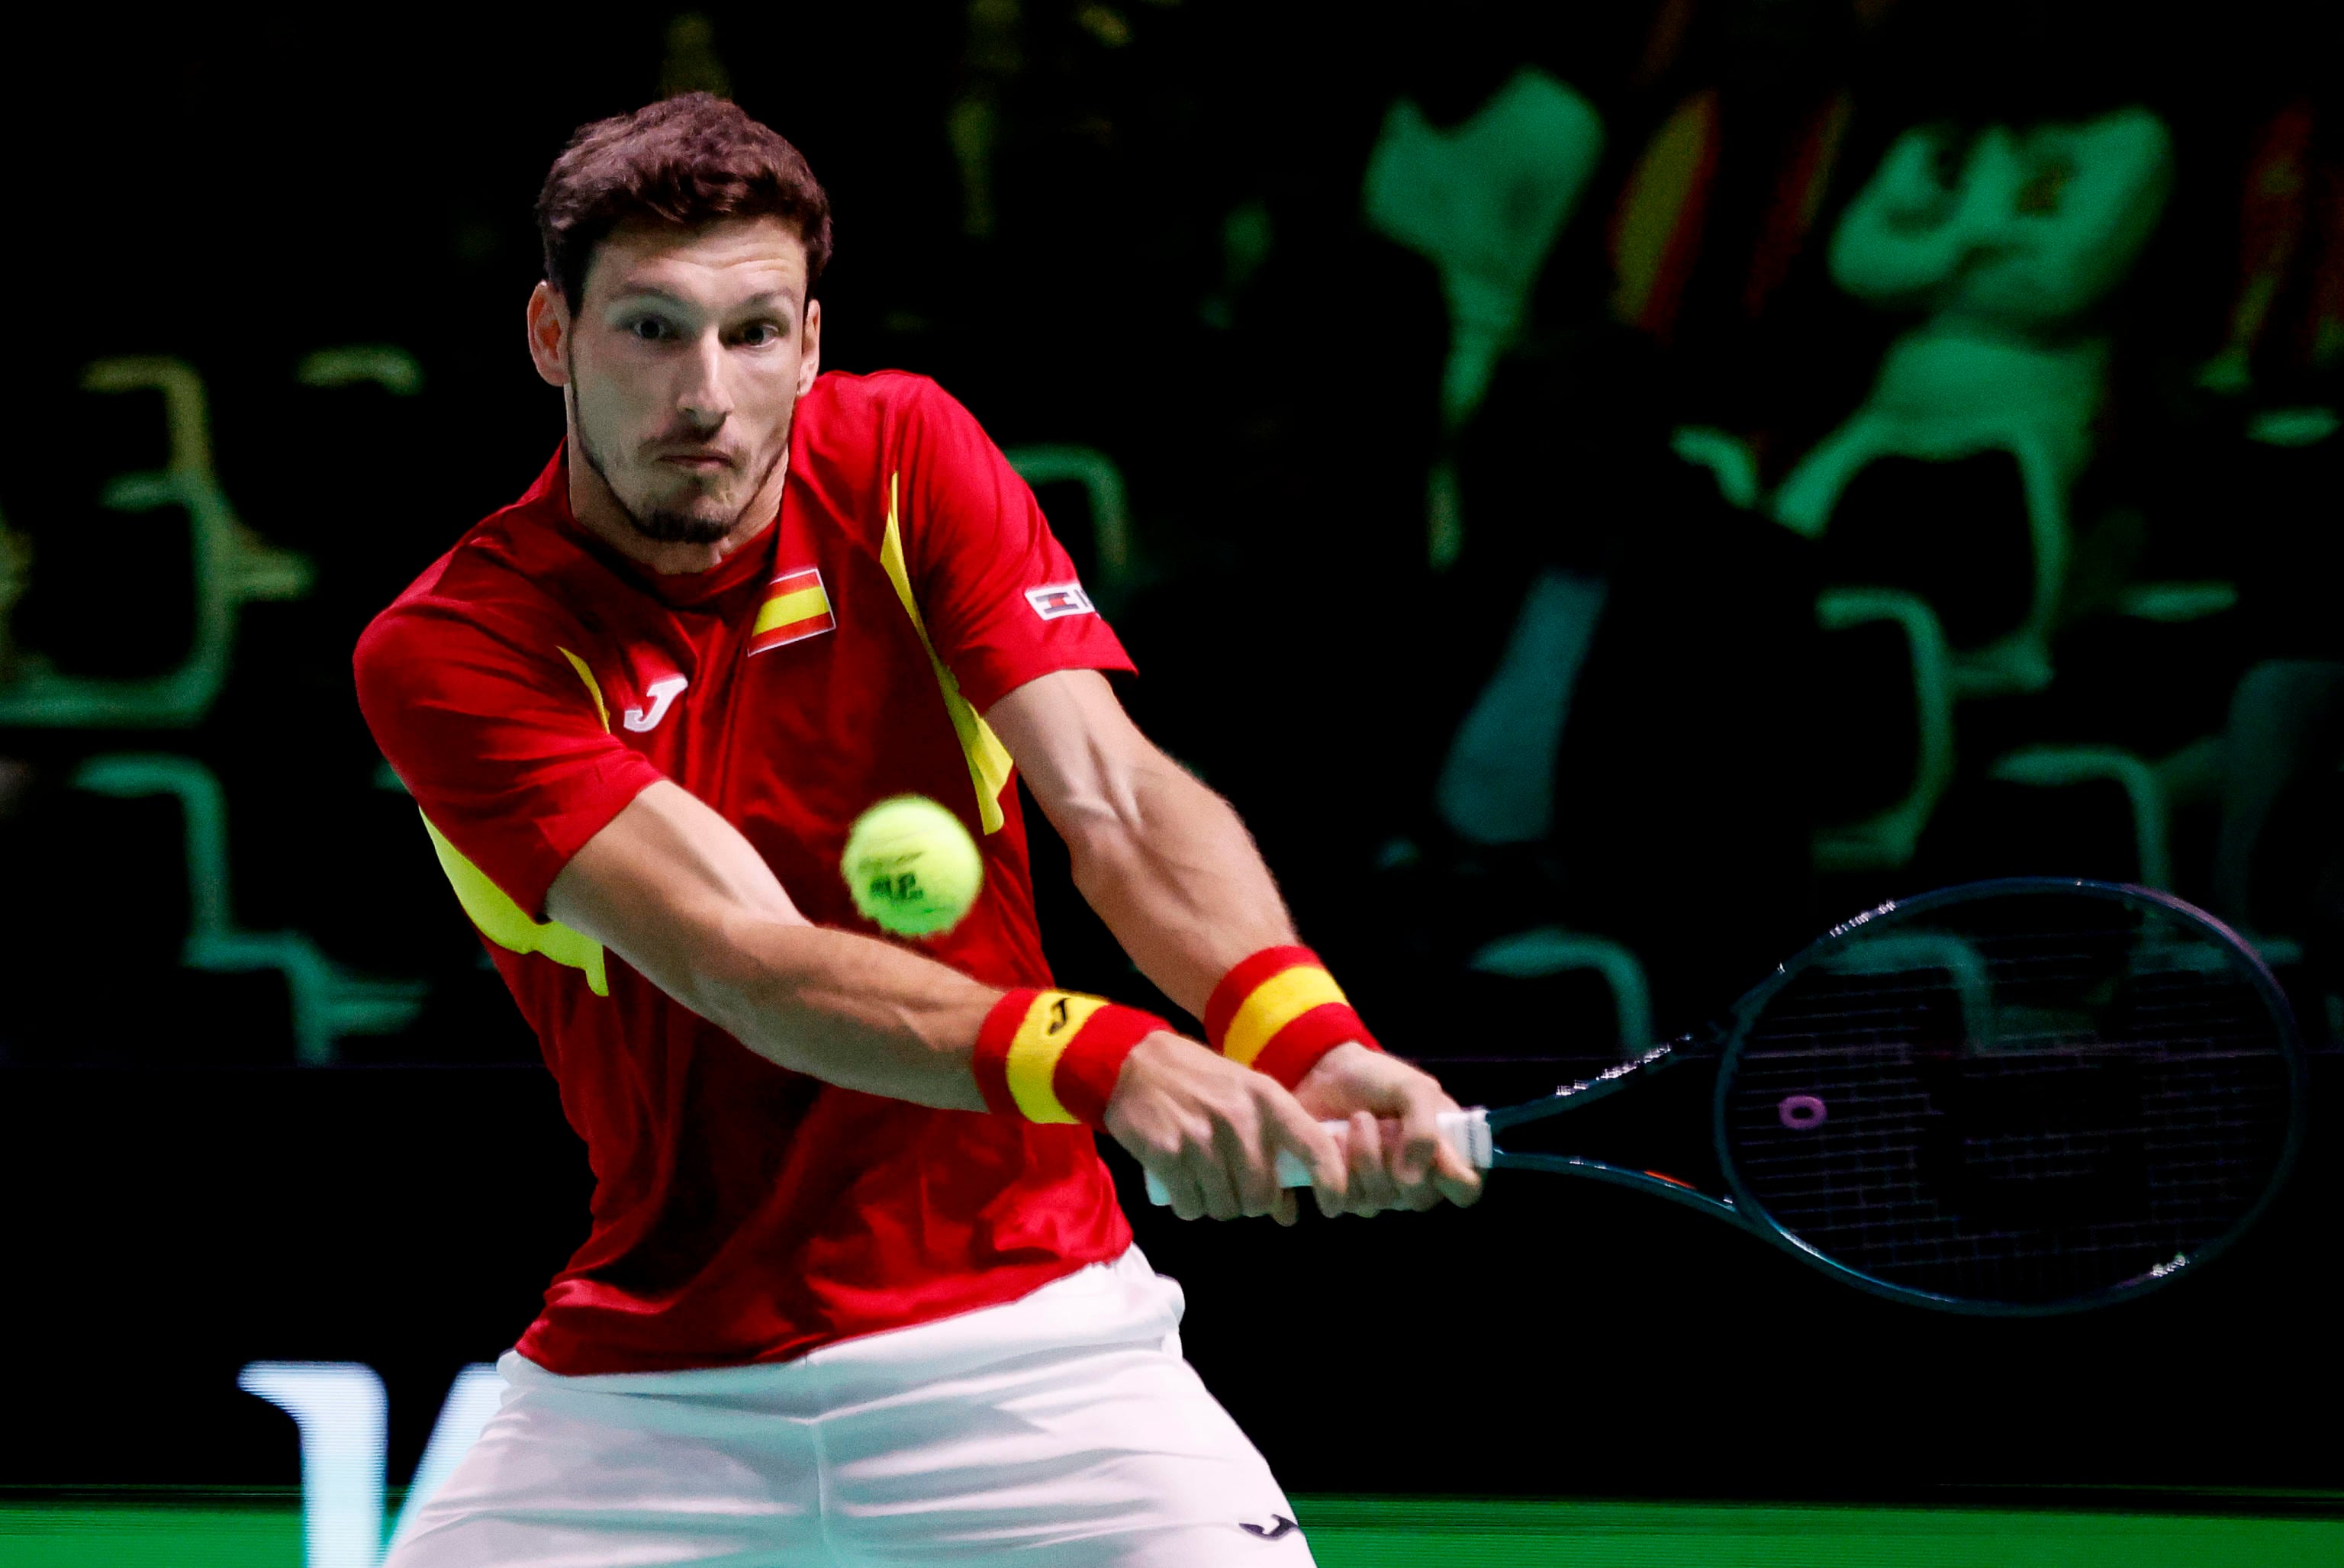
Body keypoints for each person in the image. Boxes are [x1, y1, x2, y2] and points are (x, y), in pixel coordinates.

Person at [354, 94, 1479, 1567]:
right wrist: (1115, 1055)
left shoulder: (898, 456)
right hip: (656, 1401)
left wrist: (1303, 1037)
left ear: (811, 344)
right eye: (650, 329)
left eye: (756, 332)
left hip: (1044, 1353)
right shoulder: (456, 647)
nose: (708, 392)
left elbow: (1118, 799)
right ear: (552, 339)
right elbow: (748, 964)